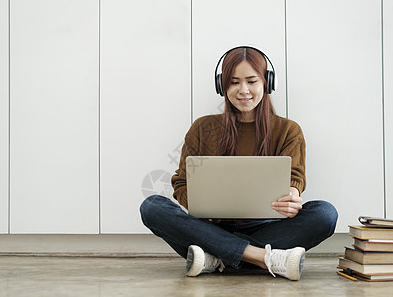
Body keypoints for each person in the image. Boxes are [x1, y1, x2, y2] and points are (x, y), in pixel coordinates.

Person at [140, 46, 338, 281]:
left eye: (252, 81)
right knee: (152, 206)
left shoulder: (288, 130)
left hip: (266, 229)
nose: (243, 90)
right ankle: (263, 258)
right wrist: (200, 205)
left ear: (267, 82)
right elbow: (181, 183)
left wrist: (292, 198)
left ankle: (215, 258)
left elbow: (294, 178)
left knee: (325, 214)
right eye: (234, 82)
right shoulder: (202, 128)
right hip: (211, 227)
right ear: (222, 86)